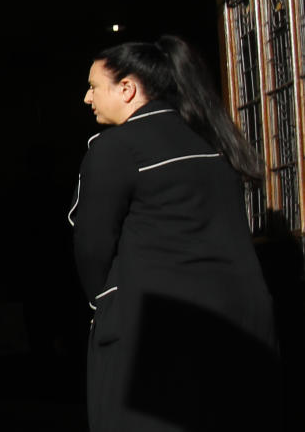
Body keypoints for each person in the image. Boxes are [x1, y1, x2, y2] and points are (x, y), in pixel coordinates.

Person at [69, 35, 279, 432]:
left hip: (161, 332)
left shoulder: (116, 147)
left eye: (94, 86)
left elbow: (92, 244)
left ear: (127, 88)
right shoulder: (212, 138)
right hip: (241, 320)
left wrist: (103, 303)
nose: (87, 97)